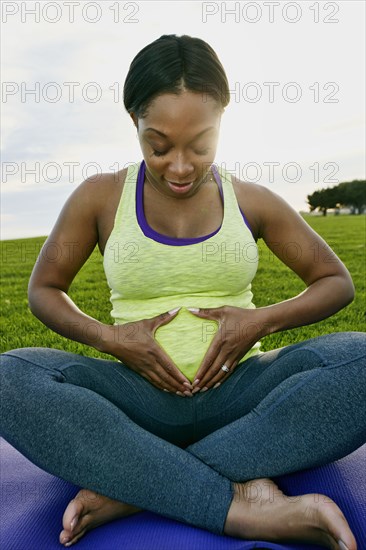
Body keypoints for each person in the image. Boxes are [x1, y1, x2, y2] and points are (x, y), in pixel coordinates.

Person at [0, 34, 365, 550]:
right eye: (159, 144)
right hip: (135, 403)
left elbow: (335, 283)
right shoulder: (100, 197)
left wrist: (260, 322)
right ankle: (239, 509)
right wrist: (110, 338)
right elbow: (44, 289)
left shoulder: (253, 200)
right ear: (134, 123)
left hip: (243, 395)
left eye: (200, 144)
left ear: (223, 122)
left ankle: (136, 488)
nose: (179, 165)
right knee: (9, 378)